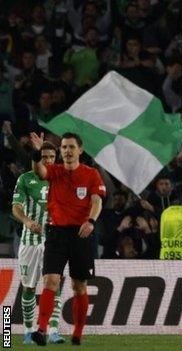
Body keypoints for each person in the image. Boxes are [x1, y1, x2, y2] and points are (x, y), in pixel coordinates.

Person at [29, 132, 106, 346]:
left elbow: (97, 200)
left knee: (78, 285)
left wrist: (91, 221)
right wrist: (36, 153)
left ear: (80, 150)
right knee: (50, 280)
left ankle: (78, 333)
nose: (67, 151)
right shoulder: (55, 171)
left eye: (71, 147)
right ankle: (41, 330)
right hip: (56, 233)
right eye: (63, 147)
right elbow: (39, 169)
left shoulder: (91, 174)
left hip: (81, 234)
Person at [12, 141, 64, 344]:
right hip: (30, 241)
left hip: (54, 240)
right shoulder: (25, 179)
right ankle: (28, 330)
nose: (49, 161)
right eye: (45, 157)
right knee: (29, 288)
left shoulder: (60, 178)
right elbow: (16, 207)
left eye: (52, 157)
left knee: (53, 285)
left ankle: (53, 331)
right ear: (38, 159)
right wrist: (27, 221)